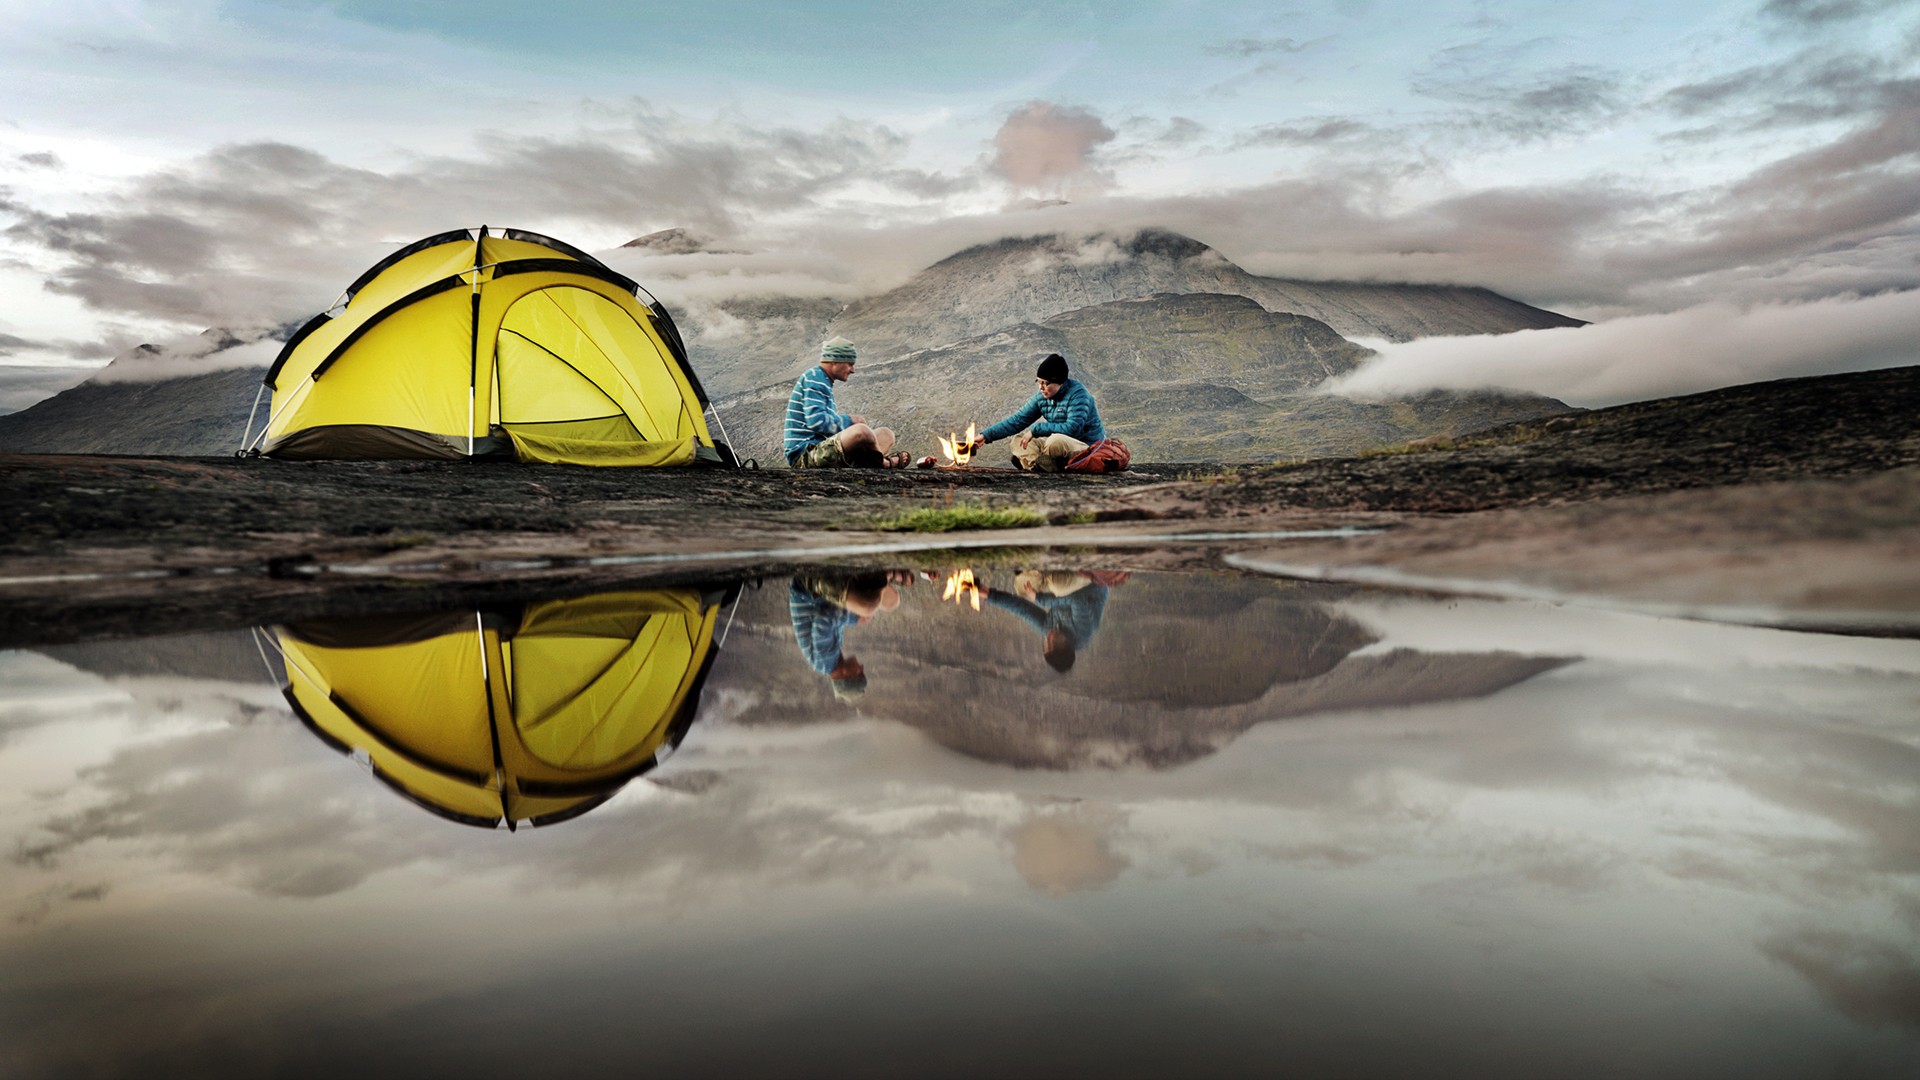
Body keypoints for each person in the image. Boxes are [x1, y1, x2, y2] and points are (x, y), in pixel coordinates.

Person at [969, 353, 1106, 471]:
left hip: (1084, 447)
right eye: (1039, 382)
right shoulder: (1042, 397)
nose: (1041, 388)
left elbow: (1072, 428)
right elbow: (1018, 420)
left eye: (1046, 383)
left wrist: (1036, 430)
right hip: (1057, 449)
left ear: (1060, 382)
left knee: (1054, 441)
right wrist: (986, 436)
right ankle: (1038, 465)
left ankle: (1035, 463)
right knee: (1018, 441)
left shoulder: (1078, 395)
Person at [784, 337, 907, 469]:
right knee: (862, 431)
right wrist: (851, 421)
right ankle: (883, 463)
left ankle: (866, 462)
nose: (852, 370)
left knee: (885, 434)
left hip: (824, 449)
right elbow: (816, 421)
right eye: (849, 364)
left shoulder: (823, 381)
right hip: (806, 455)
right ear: (834, 362)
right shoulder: (814, 378)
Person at [788, 571, 903, 700]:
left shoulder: (825, 660)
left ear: (845, 675)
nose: (861, 667)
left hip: (810, 589)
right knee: (891, 602)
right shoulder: (832, 660)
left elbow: (824, 617)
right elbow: (832, 621)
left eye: (859, 674)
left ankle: (884, 575)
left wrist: (855, 618)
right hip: (821, 596)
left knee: (868, 607)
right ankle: (882, 576)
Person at [983, 570, 1112, 674]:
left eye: (1046, 643)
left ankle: (1037, 563)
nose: (1048, 636)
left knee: (1021, 588)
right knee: (1057, 585)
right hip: (1092, 583)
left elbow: (1023, 610)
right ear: (1065, 643)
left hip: (1067, 588)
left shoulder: (1048, 631)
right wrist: (1041, 599)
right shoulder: (1083, 630)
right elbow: (1077, 599)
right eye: (1052, 642)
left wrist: (989, 595)